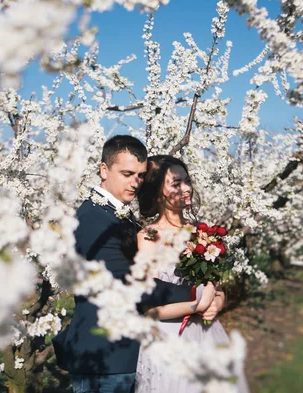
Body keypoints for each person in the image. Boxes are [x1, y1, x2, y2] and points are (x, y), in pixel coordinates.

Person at [52, 136, 219, 393]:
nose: (134, 182)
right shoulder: (93, 218)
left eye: (140, 176)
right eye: (127, 173)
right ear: (104, 169)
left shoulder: (117, 214)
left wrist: (214, 297)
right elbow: (125, 280)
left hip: (129, 353)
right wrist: (195, 295)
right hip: (104, 356)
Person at [134, 155, 250, 393]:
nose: (186, 188)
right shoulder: (148, 237)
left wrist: (216, 303)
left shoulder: (202, 232)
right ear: (157, 193)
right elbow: (150, 310)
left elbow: (216, 289)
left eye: (186, 181)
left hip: (207, 335)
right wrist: (198, 305)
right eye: (176, 184)